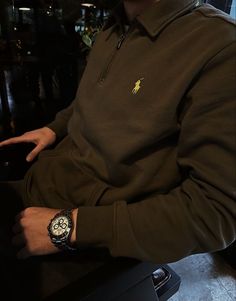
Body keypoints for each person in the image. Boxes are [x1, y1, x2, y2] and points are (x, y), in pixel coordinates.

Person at [0, 0, 235, 298]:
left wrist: (68, 227)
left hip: (83, 241)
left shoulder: (220, 47)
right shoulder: (116, 24)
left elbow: (215, 214)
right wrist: (55, 128)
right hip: (37, 186)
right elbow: (96, 94)